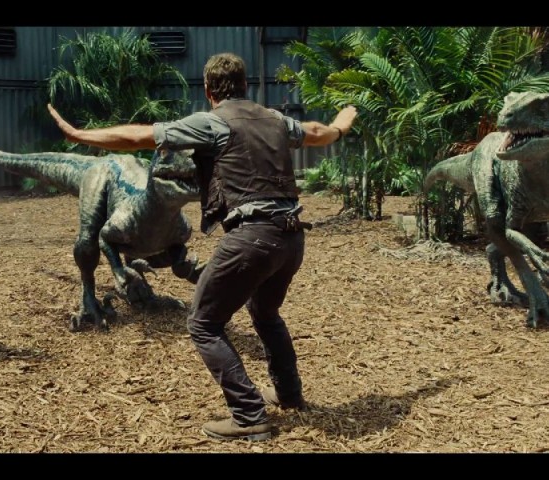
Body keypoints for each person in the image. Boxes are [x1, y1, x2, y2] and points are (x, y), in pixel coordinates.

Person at [47, 52, 357, 442]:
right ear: (244, 86)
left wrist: (79, 136)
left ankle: (248, 414)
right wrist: (341, 125)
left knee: (203, 323)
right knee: (265, 312)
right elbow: (316, 132)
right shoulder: (274, 118)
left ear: (209, 90)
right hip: (292, 238)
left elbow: (140, 136)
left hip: (253, 236)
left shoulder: (212, 122)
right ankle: (288, 394)